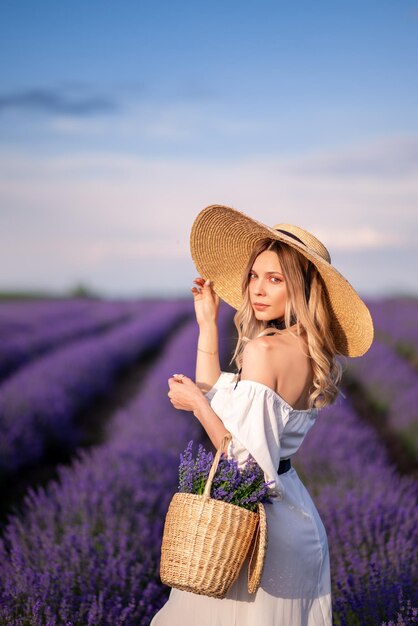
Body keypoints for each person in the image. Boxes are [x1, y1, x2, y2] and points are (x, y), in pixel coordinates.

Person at [150, 204, 373, 626]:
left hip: (250, 532)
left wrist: (197, 407)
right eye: (254, 275)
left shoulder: (263, 350)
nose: (257, 288)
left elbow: (243, 462)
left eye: (275, 279)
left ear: (302, 290)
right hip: (294, 519)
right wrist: (207, 325)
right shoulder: (308, 351)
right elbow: (223, 397)